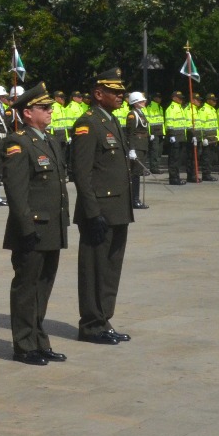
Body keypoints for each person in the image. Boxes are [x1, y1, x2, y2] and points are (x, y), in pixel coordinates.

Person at [0, 82, 68, 365]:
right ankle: (24, 345)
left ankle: (40, 340)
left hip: (51, 227)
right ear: (27, 113)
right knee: (27, 287)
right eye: (44, 108)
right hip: (32, 228)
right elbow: (16, 192)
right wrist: (26, 227)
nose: (50, 111)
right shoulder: (18, 143)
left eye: (50, 107)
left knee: (43, 286)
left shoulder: (49, 140)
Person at [70, 69, 136, 345]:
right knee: (94, 268)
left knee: (111, 268)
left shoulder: (111, 121)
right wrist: (92, 211)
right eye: (115, 91)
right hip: (99, 209)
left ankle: (103, 318)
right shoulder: (88, 124)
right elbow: (81, 173)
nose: (121, 96)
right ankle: (91, 324)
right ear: (99, 94)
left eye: (122, 91)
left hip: (118, 208)